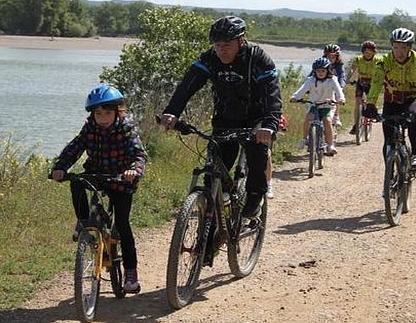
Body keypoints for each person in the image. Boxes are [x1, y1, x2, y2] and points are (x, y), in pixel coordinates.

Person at [160, 16, 282, 218]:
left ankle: (254, 199)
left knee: (257, 155)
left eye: (226, 45)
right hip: (226, 117)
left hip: (257, 118)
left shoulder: (258, 58)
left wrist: (269, 124)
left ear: (240, 41)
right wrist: (172, 112)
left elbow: (272, 94)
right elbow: (186, 87)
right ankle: (212, 223)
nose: (221, 50)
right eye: (217, 45)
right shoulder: (210, 58)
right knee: (214, 173)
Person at [51, 84, 147, 294]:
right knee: (76, 181)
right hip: (97, 174)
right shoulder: (90, 127)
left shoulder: (126, 128)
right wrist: (60, 167)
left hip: (122, 179)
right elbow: (75, 147)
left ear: (117, 111)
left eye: (107, 113)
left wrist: (133, 170)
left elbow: (139, 154)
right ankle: (84, 223)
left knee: (122, 224)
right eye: (98, 113)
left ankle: (131, 273)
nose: (102, 117)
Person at [365, 28, 416, 171]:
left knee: (413, 121)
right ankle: (389, 173)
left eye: (403, 47)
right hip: (392, 101)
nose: (399, 52)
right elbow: (376, 83)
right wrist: (371, 103)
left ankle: (415, 155)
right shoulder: (383, 62)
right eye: (395, 47)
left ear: (410, 47)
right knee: (388, 139)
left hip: (412, 99)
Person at [291, 57, 345, 156]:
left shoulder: (332, 79)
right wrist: (295, 97)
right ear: (314, 71)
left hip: (327, 105)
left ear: (328, 70)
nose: (320, 73)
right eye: (318, 71)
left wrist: (341, 99)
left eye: (323, 71)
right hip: (314, 105)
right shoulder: (310, 80)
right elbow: (302, 89)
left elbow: (339, 91)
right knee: (308, 119)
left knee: (327, 121)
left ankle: (330, 145)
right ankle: (304, 139)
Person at [348, 40, 380, 135]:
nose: (368, 55)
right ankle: (356, 124)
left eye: (371, 53)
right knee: (357, 102)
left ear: (374, 53)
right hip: (361, 82)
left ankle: (375, 112)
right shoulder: (358, 59)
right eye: (366, 53)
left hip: (373, 83)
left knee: (371, 100)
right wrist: (348, 79)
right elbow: (352, 69)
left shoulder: (377, 60)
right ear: (363, 52)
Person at [322, 43, 346, 128]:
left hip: (335, 85)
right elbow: (311, 75)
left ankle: (336, 116)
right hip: (324, 85)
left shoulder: (339, 65)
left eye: (333, 57)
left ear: (337, 57)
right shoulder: (322, 64)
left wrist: (341, 86)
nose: (331, 59)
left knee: (337, 97)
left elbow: (342, 76)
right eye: (329, 56)